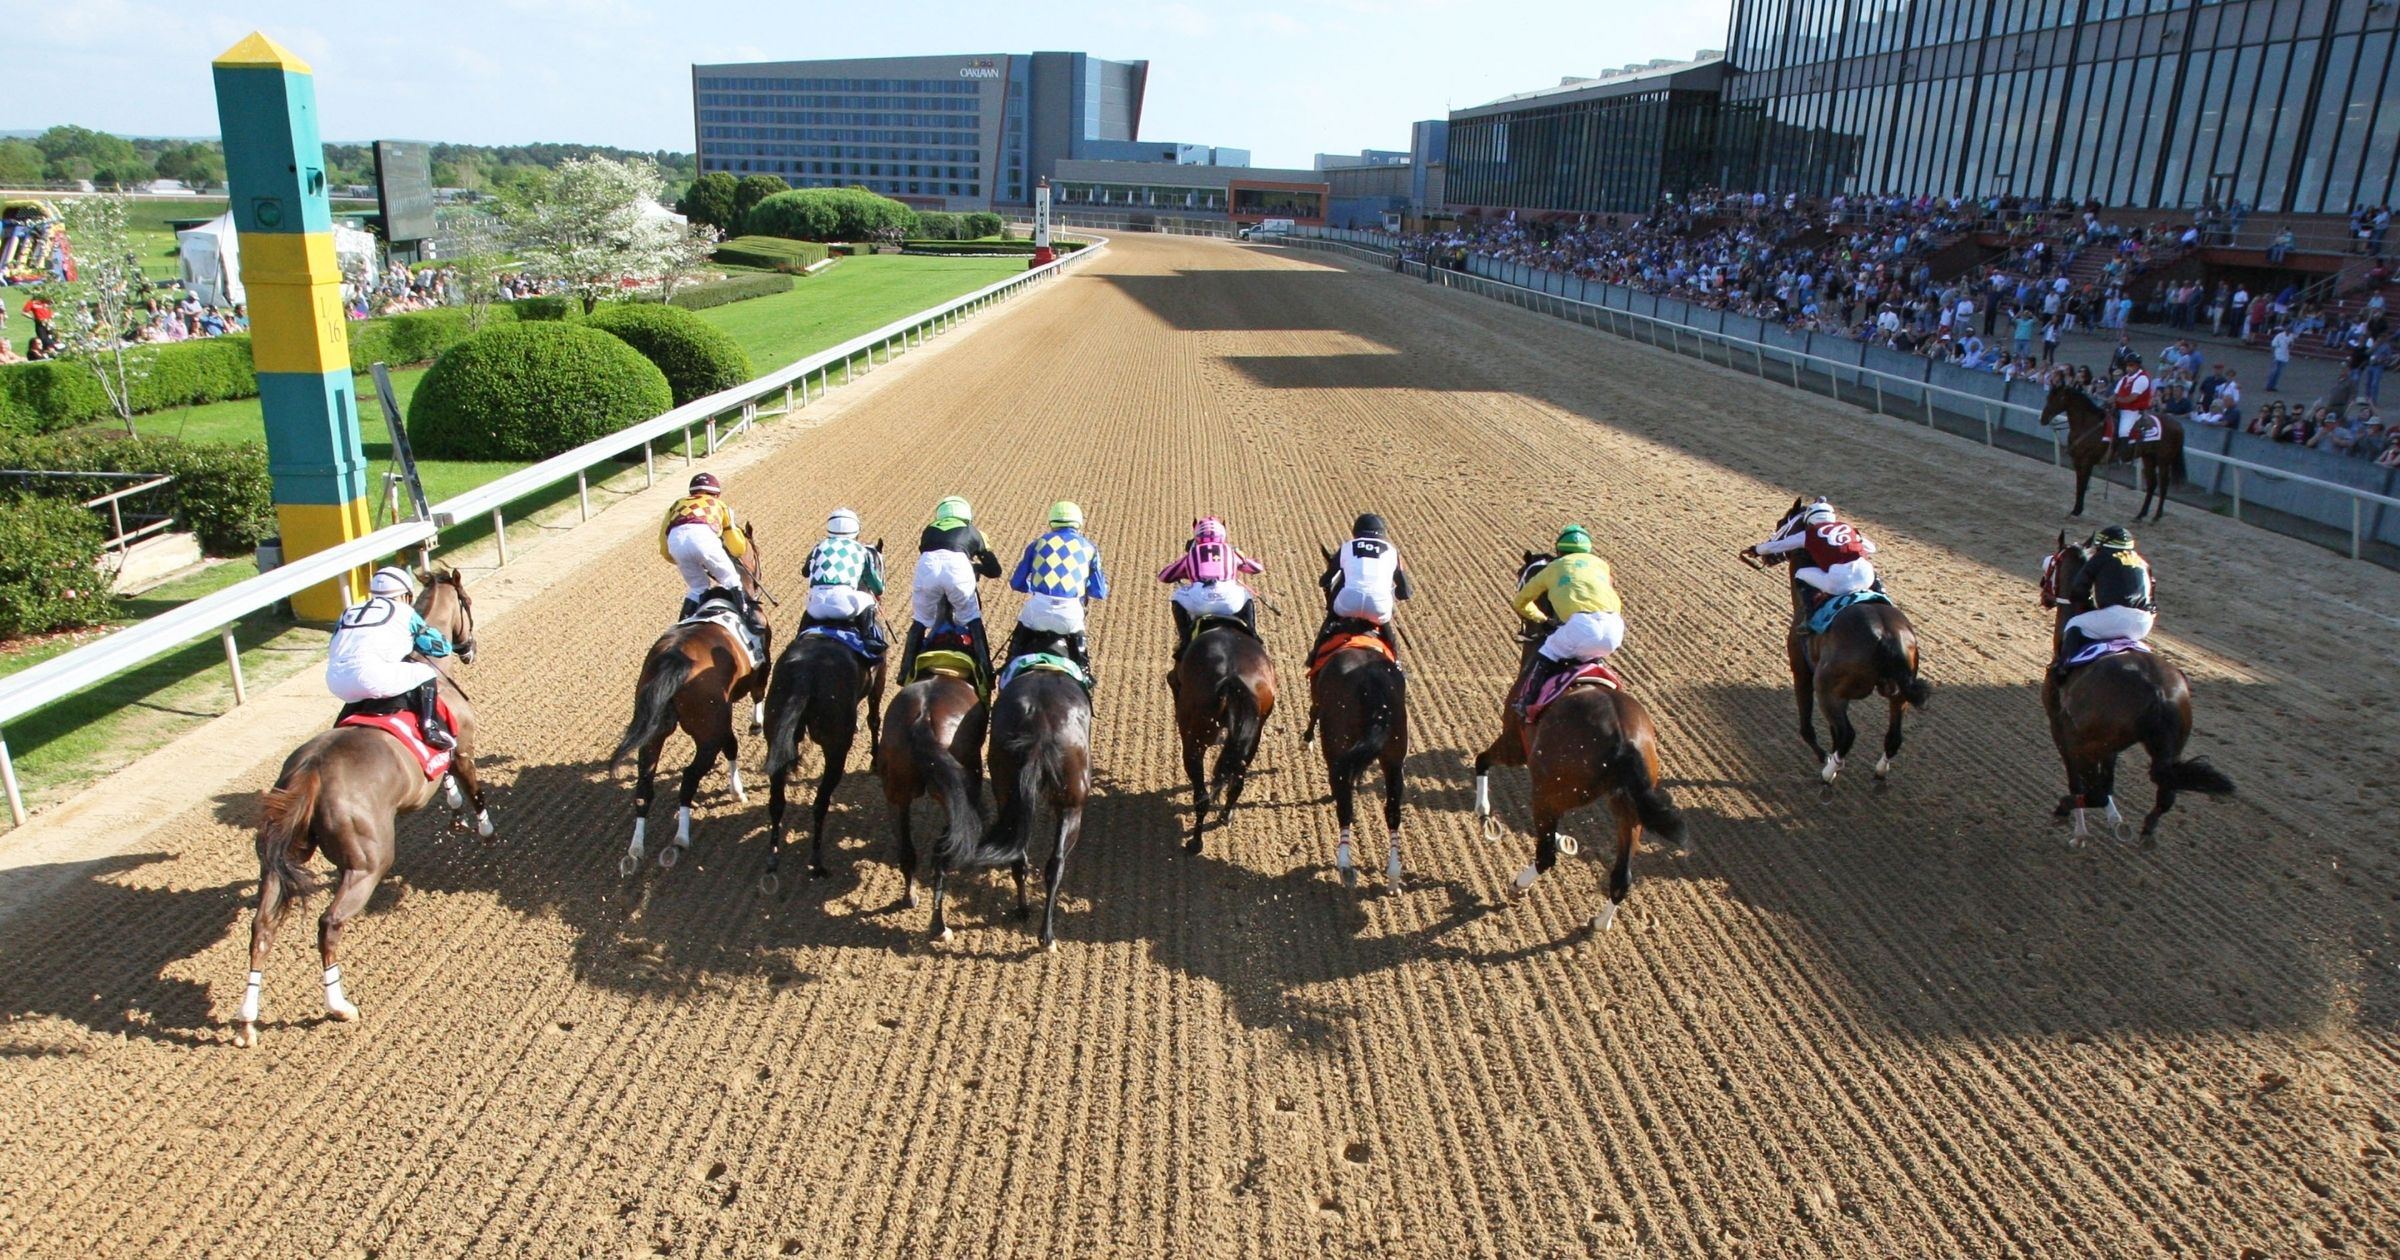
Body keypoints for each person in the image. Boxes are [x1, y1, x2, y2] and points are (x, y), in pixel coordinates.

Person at [324, 566, 457, 751]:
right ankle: (430, 727)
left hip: (336, 681)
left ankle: (338, 726)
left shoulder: (349, 611)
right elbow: (442, 648)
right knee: (425, 672)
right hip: (372, 677)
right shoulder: (404, 611)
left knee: (358, 683)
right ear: (406, 596)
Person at [1509, 525, 1625, 718]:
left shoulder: (1553, 567)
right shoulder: (1602, 565)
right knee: (1590, 654)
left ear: (1559, 551)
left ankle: (1526, 701)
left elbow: (1521, 602)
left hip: (1581, 626)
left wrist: (1542, 620)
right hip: (1615, 627)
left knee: (1547, 651)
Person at [902, 495, 1002, 685]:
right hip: (957, 571)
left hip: (928, 570)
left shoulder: (928, 531)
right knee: (972, 619)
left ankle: (904, 671)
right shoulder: (973, 531)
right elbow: (995, 571)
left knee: (921, 620)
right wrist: (976, 567)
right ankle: (986, 672)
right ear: (966, 516)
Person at [1006, 500, 1109, 683]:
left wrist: (1032, 587)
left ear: (1052, 521)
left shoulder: (1037, 543)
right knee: (1080, 649)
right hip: (1070, 615)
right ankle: (1085, 674)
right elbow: (1099, 592)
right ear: (1078, 522)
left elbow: (1016, 583)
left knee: (1018, 638)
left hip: (1038, 609)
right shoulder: (1090, 548)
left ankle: (1007, 668)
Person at [658, 472, 766, 642]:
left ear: (691, 492)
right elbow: (736, 547)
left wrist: (679, 558)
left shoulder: (676, 505)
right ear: (716, 494)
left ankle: (683, 624)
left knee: (698, 587)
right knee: (732, 579)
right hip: (703, 539)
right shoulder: (720, 505)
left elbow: (664, 547)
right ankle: (749, 619)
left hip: (676, 544)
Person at [1746, 498, 1879, 633]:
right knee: (1867, 566)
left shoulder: (1808, 534)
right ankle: (1882, 594)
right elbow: (1871, 548)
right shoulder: (1848, 528)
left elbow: (1778, 545)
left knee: (1799, 574)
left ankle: (1807, 616)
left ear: (1809, 520)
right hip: (1866, 577)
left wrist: (1756, 550)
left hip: (1839, 583)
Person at [2053, 525, 2155, 685]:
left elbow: (2078, 589)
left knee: (2074, 623)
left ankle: (2062, 668)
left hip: (2116, 617)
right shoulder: (2141, 561)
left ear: (2103, 545)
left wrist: (2087, 606)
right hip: (2144, 622)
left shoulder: (2102, 557)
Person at [1157, 516, 1264, 660]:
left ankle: (1184, 639)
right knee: (1246, 595)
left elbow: (1164, 576)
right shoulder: (1230, 551)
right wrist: (1240, 556)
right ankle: (1253, 633)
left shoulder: (1192, 554)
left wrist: (1186, 572)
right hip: (1230, 603)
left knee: (1176, 596)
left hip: (1200, 602)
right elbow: (1257, 568)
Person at [1324, 512, 1412, 658]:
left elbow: (1325, 581)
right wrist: (1391, 594)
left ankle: (1315, 655)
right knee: (1386, 627)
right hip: (1378, 608)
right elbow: (1405, 593)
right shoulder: (1393, 552)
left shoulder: (1347, 547)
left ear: (1356, 532)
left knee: (1330, 621)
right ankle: (1396, 661)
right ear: (1383, 534)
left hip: (1348, 603)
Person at [799, 506, 885, 652]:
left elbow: (805, 572)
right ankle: (869, 637)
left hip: (815, 605)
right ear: (856, 529)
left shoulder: (819, 546)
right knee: (868, 598)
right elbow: (875, 585)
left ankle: (799, 637)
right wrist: (878, 590)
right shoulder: (862, 550)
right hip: (843, 605)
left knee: (809, 607)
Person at [2106, 351, 2154, 458]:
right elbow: (2115, 394)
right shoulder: (2125, 378)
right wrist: (2108, 401)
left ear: (2137, 366)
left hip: (2132, 410)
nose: (2128, 368)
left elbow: (2132, 398)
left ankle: (2124, 455)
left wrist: (2116, 400)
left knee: (2123, 430)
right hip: (2121, 407)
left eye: (2131, 365)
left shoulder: (2142, 378)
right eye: (2127, 365)